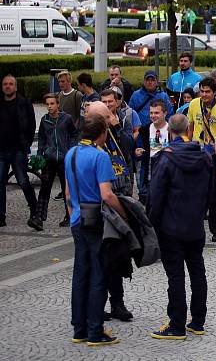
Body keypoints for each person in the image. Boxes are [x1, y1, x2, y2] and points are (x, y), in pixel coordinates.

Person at [64, 113, 127, 346]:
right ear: (102, 134)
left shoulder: (71, 153)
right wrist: (124, 214)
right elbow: (107, 195)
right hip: (96, 222)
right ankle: (95, 330)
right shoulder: (100, 156)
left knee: (80, 275)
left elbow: (69, 193)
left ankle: (79, 329)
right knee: (99, 274)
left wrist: (73, 217)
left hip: (78, 220)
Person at [148, 113, 212, 339]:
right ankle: (198, 320)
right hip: (195, 224)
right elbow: (210, 191)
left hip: (171, 226)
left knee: (175, 276)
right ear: (188, 129)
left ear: (170, 132)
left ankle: (176, 324)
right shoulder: (204, 156)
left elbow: (156, 196)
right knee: (197, 272)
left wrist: (153, 223)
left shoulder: (165, 158)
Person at [187, 77, 216, 243]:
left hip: (215, 154)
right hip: (198, 153)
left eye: (208, 92)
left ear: (215, 92)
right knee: (196, 193)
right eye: (202, 91)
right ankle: (195, 229)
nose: (204, 94)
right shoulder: (194, 104)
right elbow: (190, 127)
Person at [34, 93, 78, 229]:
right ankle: (38, 218)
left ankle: (70, 216)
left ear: (58, 104)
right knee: (45, 188)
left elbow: (74, 134)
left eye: (52, 104)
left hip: (64, 159)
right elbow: (41, 138)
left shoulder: (67, 119)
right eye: (47, 104)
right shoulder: (44, 120)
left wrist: (70, 150)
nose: (49, 106)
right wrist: (41, 153)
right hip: (49, 159)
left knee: (67, 189)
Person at [0, 75, 38, 228]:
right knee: (0, 183)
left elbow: (31, 125)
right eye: (5, 84)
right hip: (1, 151)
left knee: (23, 181)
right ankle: (1, 215)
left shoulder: (24, 103)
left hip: (18, 150)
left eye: (10, 84)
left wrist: (26, 144)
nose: (8, 86)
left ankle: (35, 209)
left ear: (15, 87)